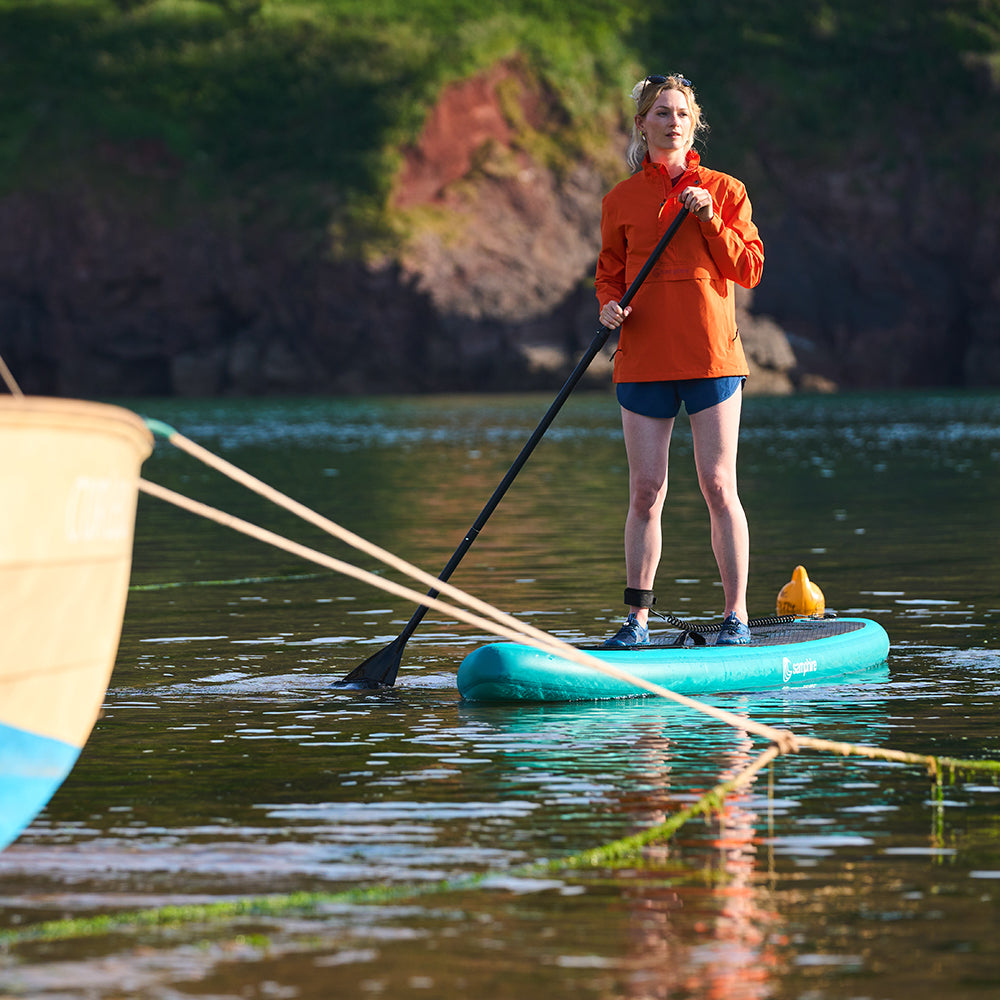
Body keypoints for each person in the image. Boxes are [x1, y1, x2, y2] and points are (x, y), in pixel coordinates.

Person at [595, 73, 764, 648]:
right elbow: (609, 274)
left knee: (718, 484)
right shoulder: (620, 200)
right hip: (643, 357)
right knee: (646, 491)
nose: (673, 122)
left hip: (710, 356)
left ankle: (736, 616)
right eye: (662, 113)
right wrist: (609, 305)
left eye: (682, 114)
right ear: (642, 124)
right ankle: (637, 622)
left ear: (695, 125)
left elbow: (749, 269)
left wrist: (710, 218)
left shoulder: (726, 189)